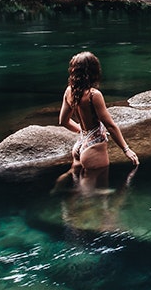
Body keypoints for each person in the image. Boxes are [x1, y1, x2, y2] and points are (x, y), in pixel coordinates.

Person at [58, 51, 139, 193]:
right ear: (94, 71)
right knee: (93, 194)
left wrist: (82, 131)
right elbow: (110, 125)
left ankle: (56, 189)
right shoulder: (94, 95)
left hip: (80, 144)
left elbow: (63, 121)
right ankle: (80, 210)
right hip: (93, 146)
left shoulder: (69, 91)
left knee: (74, 174)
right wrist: (126, 149)